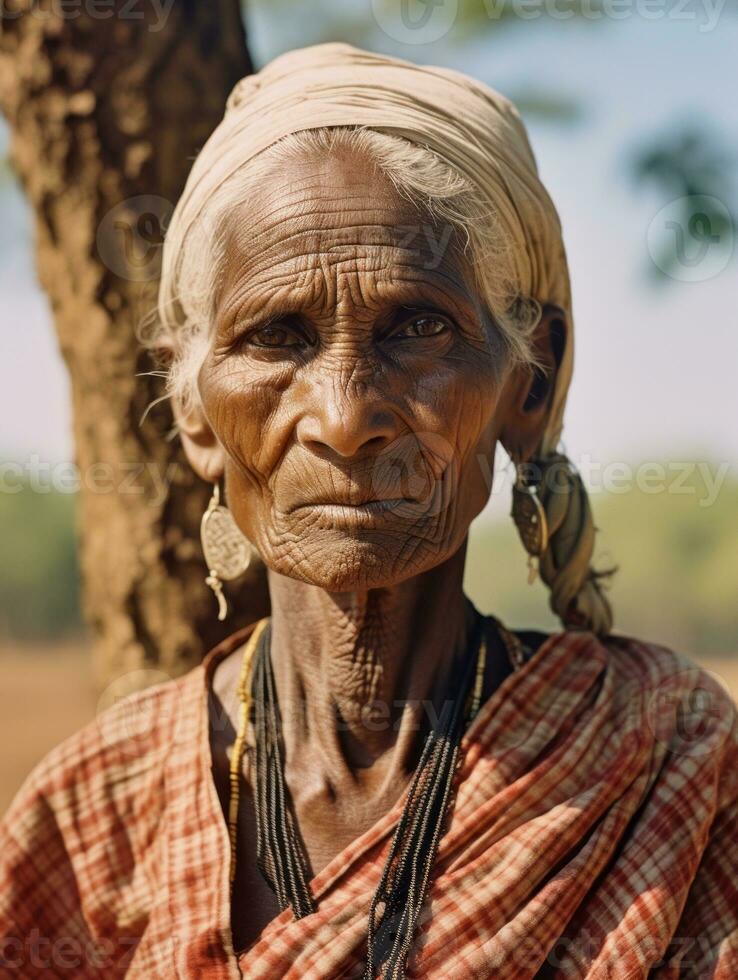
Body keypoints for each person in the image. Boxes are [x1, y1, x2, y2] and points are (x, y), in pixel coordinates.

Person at [1, 43, 736, 980]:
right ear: (192, 408)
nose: (345, 419)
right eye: (276, 336)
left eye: (420, 328)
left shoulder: (664, 760)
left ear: (529, 381)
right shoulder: (93, 817)